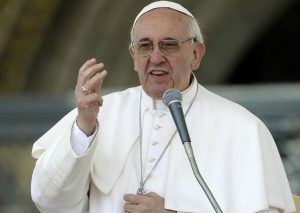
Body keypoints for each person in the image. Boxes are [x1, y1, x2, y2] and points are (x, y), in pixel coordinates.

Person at [31, 1, 296, 212]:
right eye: (145, 46)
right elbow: (50, 201)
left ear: (196, 54)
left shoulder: (243, 129)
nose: (156, 57)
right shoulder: (101, 113)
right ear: (133, 57)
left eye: (168, 45)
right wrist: (84, 127)